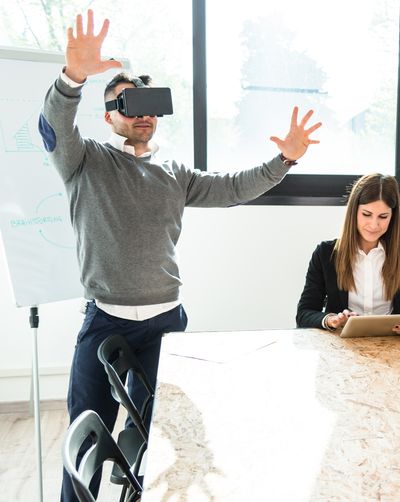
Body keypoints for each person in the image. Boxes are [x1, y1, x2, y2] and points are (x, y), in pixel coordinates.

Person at [41, 10, 321, 502]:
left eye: (149, 104)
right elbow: (56, 124)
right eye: (127, 104)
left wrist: (286, 160)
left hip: (165, 325)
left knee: (164, 440)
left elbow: (235, 187)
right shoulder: (83, 161)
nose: (141, 113)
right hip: (104, 321)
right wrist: (73, 78)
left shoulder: (174, 172)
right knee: (85, 438)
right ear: (109, 117)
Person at [296, 173, 400, 338]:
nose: (374, 225)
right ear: (354, 211)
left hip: (394, 345)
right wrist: (330, 319)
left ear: (392, 216)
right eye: (366, 214)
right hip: (342, 347)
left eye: (383, 217)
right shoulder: (326, 253)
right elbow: (304, 313)